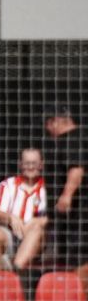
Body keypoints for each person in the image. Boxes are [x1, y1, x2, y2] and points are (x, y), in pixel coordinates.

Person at [0, 147, 48, 273]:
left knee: (37, 228)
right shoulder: (8, 185)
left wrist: (35, 223)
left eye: (34, 163)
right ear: (20, 165)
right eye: (27, 163)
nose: (31, 167)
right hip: (10, 235)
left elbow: (54, 217)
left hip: (38, 240)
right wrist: (11, 218)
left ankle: (14, 273)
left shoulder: (48, 187)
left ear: (41, 165)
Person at [43, 109, 86, 280]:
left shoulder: (72, 139)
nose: (48, 131)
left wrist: (67, 195)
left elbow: (76, 168)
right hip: (70, 217)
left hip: (79, 213)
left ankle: (81, 300)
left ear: (56, 121)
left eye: (48, 125)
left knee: (80, 255)